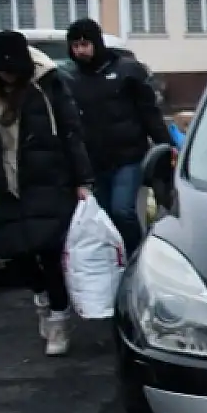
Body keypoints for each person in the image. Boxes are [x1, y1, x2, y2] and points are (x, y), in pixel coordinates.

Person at [0, 31, 94, 356]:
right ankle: (42, 298)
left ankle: (59, 320)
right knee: (16, 254)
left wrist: (82, 181)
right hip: (8, 186)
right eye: (0, 71)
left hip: (49, 180)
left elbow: (72, 134)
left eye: (11, 70)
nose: (7, 76)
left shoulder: (48, 87)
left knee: (49, 253)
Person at [65, 18, 171, 254]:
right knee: (104, 217)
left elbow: (149, 113)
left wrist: (166, 146)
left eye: (85, 44)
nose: (80, 50)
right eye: (75, 45)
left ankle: (136, 255)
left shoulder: (126, 71)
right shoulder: (71, 81)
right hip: (95, 161)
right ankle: (117, 260)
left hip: (129, 157)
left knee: (122, 210)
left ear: (96, 42)